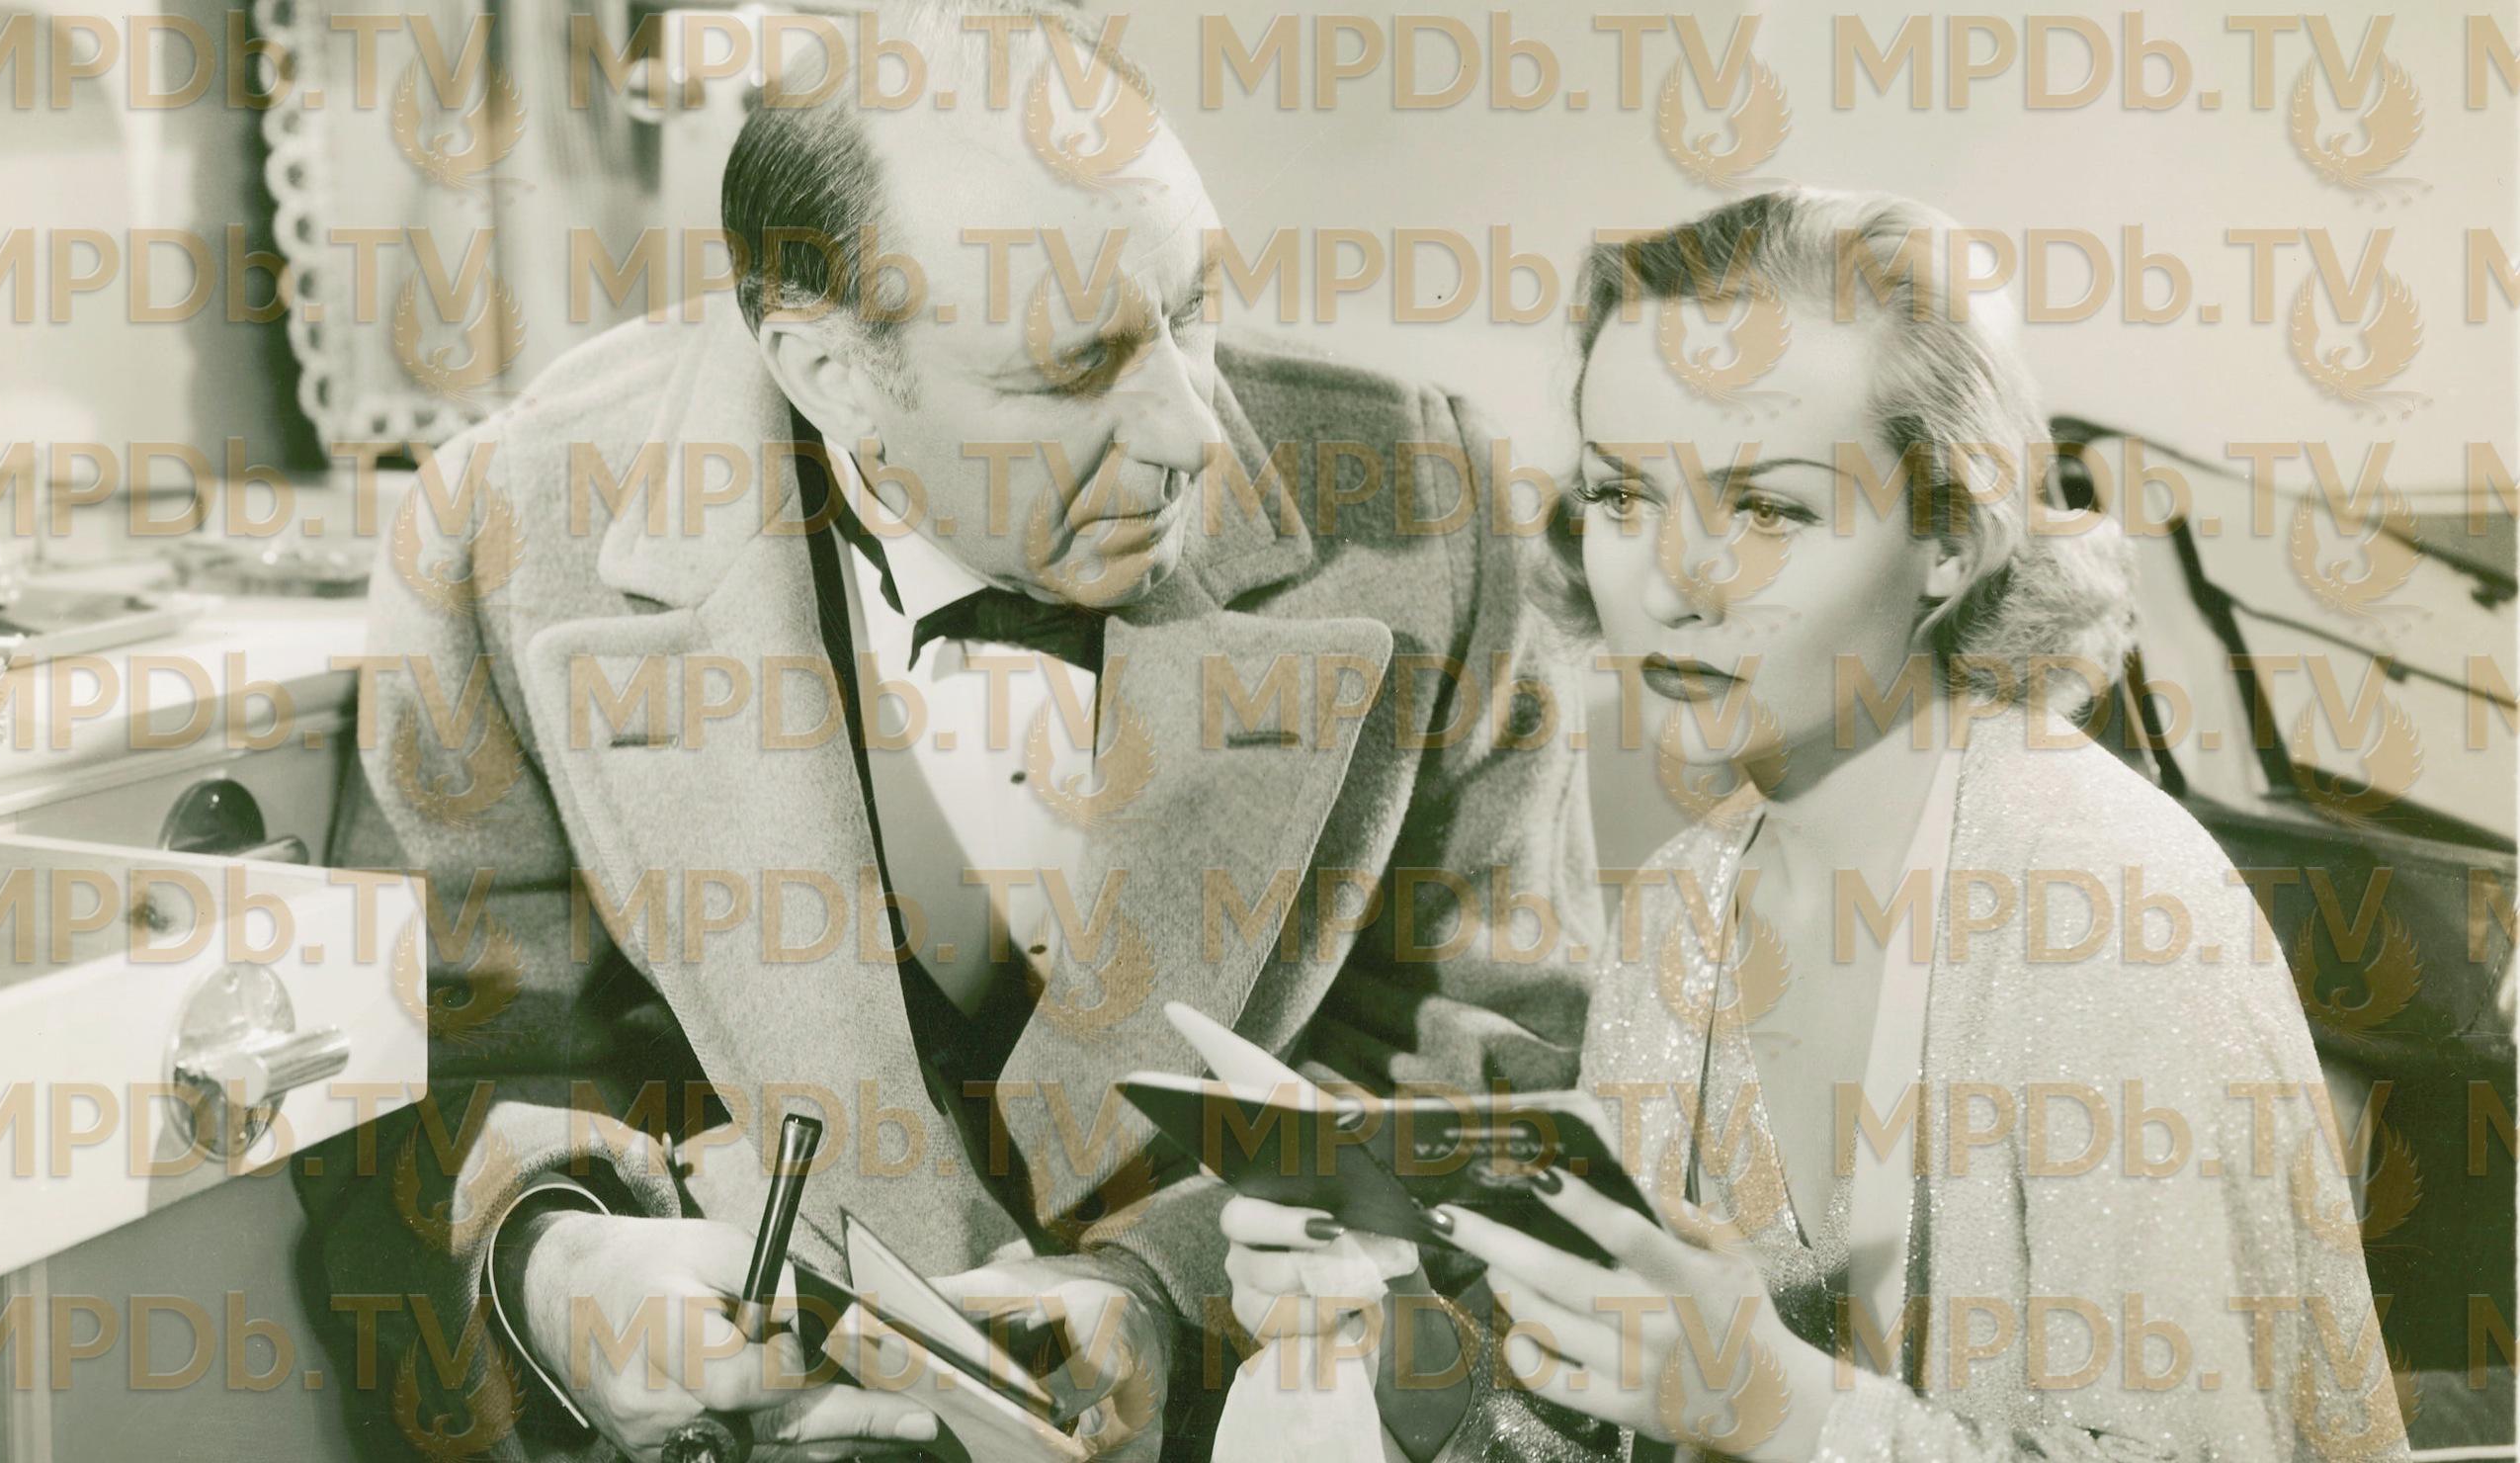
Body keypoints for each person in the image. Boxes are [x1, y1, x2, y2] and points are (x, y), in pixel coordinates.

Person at [297, 4, 1599, 1459]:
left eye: (1191, 307)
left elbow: (1499, 1075)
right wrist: (561, 1271)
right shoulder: (503, 532)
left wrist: (1167, 1293)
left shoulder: (1423, 501)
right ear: (829, 373)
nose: (1192, 430)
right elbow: (436, 1076)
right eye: (1073, 371)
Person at [1220, 188, 2407, 1460]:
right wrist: (1395, 1327)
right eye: (1621, 495)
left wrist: (1771, 1403)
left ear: (1948, 535)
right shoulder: (1681, 906)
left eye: (1766, 509)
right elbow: (1594, 1438)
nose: (1669, 583)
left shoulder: (2110, 905)